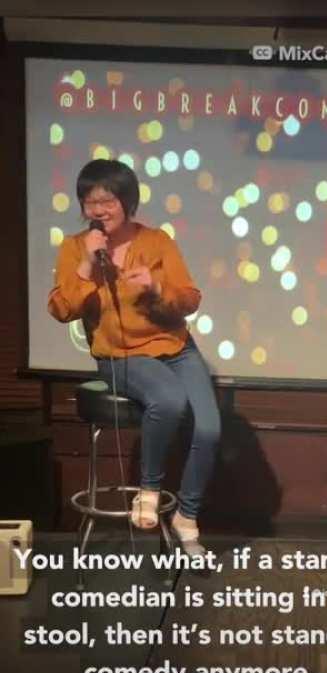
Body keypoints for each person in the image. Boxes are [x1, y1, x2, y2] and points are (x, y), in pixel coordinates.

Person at [48, 158, 221, 554]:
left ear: (128, 202)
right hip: (119, 355)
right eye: (90, 202)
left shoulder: (157, 241)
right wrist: (88, 264)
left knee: (210, 429)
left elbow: (189, 299)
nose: (98, 210)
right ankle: (149, 489)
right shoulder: (75, 248)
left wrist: (156, 288)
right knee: (168, 400)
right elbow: (61, 309)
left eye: (107, 201)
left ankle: (186, 516)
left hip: (175, 348)